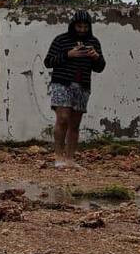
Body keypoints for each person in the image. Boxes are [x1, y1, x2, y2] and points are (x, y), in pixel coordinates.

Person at [44, 10, 106, 169]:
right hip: (61, 83)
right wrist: (68, 54)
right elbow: (48, 61)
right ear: (73, 25)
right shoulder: (60, 40)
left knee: (75, 124)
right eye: (79, 26)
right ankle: (58, 157)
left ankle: (70, 159)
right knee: (63, 118)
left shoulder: (94, 42)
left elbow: (100, 68)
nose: (82, 30)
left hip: (83, 85)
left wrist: (95, 57)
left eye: (85, 26)